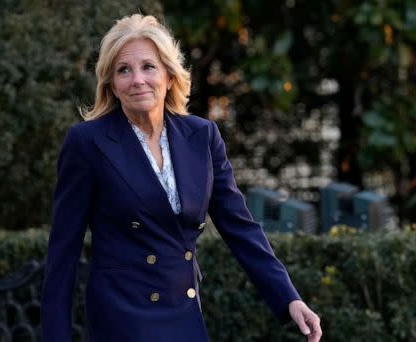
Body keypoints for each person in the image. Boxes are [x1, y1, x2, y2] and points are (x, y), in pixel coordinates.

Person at [41, 13, 322, 342]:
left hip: (184, 313)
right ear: (112, 85)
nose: (137, 80)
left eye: (148, 66)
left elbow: (240, 226)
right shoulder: (87, 143)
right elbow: (63, 253)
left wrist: (289, 297)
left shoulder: (202, 136)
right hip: (122, 317)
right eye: (123, 70)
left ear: (169, 76)